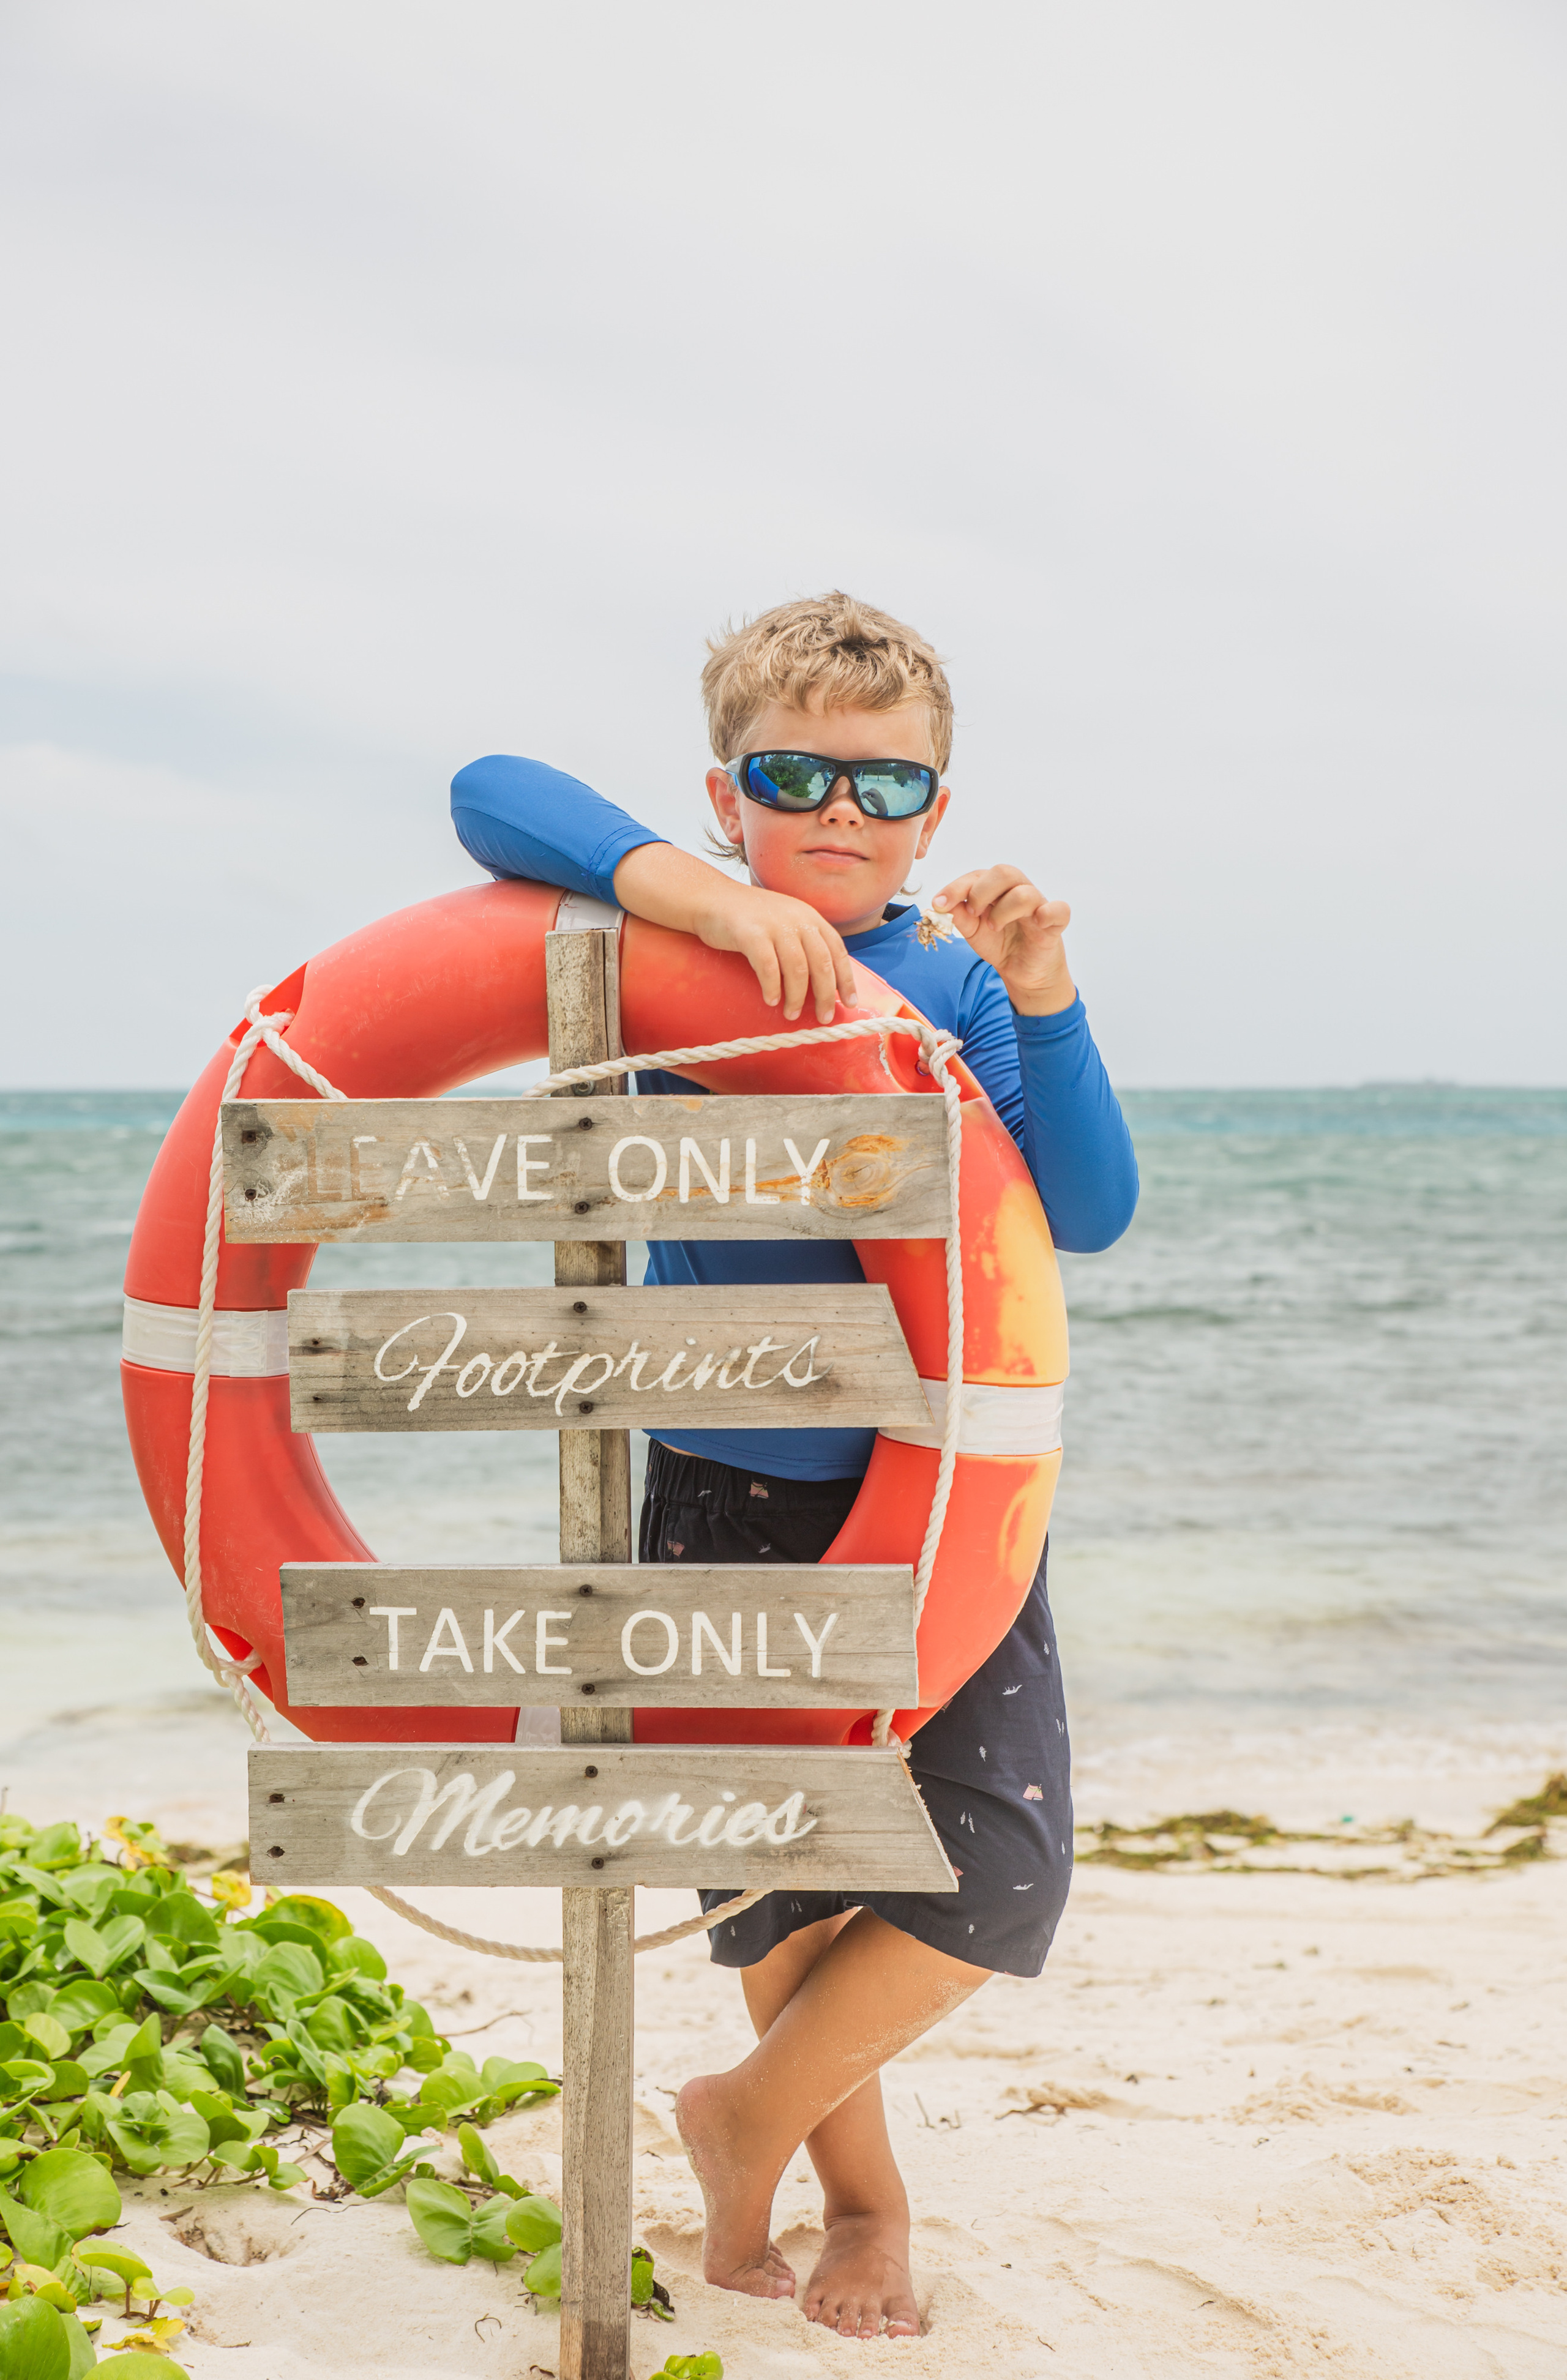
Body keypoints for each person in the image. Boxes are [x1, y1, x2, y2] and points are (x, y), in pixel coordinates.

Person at [449, 591, 1139, 2341]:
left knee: (997, 1865)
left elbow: (1092, 1212)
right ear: (726, 787)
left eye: (888, 785)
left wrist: (1043, 994)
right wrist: (702, 894)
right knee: (783, 1873)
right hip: (717, 1478)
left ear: (938, 808)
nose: (843, 811)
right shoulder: (678, 949)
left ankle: (740, 2112)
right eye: (793, 775)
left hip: (937, 1494)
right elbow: (488, 788)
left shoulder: (955, 976)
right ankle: (861, 2205)